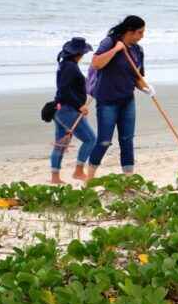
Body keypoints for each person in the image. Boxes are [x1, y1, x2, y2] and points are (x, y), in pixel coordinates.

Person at [87, 15, 154, 179]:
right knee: (104, 141)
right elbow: (96, 63)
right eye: (140, 32)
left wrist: (147, 89)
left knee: (127, 140)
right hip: (107, 100)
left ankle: (129, 179)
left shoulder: (138, 50)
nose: (142, 36)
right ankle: (89, 178)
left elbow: (138, 77)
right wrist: (116, 49)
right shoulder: (109, 42)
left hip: (127, 100)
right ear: (129, 32)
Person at [50, 37, 96, 184]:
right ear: (79, 53)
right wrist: (79, 106)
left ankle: (55, 177)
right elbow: (65, 90)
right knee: (90, 139)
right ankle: (78, 171)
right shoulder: (70, 67)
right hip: (69, 110)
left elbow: (67, 89)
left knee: (60, 144)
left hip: (60, 109)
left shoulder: (65, 65)